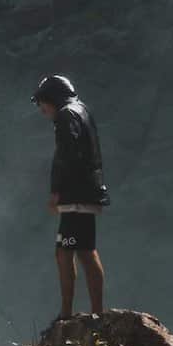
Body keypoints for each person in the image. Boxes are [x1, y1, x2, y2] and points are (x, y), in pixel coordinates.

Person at [32, 73, 109, 321]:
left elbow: (67, 153)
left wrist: (57, 191)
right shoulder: (82, 109)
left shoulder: (66, 115)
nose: (42, 110)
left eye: (42, 103)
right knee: (85, 250)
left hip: (75, 195)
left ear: (52, 98)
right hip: (89, 191)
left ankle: (66, 314)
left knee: (64, 251)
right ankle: (98, 313)